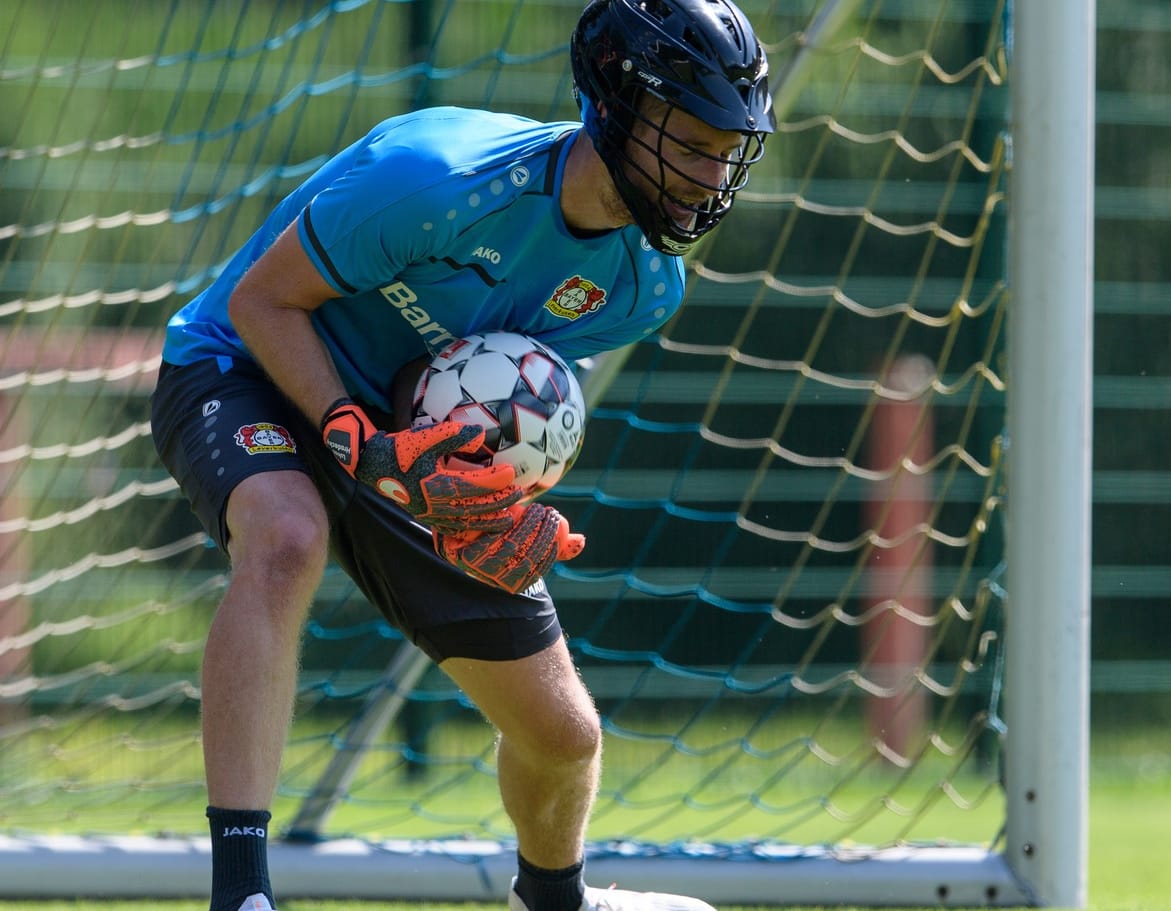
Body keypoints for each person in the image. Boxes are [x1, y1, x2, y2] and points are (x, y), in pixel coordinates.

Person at [147, 1, 775, 909]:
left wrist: (492, 496)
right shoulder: (433, 176)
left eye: (729, 146)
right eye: (691, 138)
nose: (711, 172)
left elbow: (486, 386)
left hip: (403, 437)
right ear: (617, 107)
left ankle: (554, 902)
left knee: (562, 737)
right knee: (286, 536)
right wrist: (351, 433)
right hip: (246, 367)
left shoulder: (644, 286)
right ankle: (240, 895)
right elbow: (262, 302)